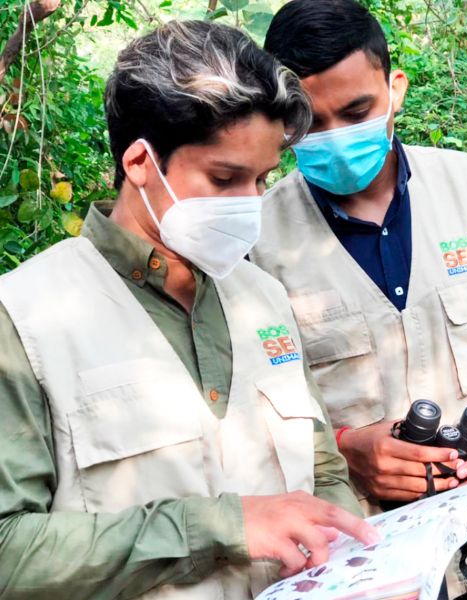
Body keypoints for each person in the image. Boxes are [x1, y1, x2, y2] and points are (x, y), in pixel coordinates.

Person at [0, 21, 378, 599]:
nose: (250, 206)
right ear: (139, 163)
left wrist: (361, 566)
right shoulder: (24, 317)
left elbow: (321, 473)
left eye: (262, 179)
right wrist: (221, 525)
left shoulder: (263, 298)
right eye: (224, 178)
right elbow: (9, 548)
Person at [252, 1, 467, 597]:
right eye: (312, 123)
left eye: (357, 110)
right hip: (356, 560)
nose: (336, 138)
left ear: (395, 88)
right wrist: (347, 449)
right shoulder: (256, 239)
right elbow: (247, 404)